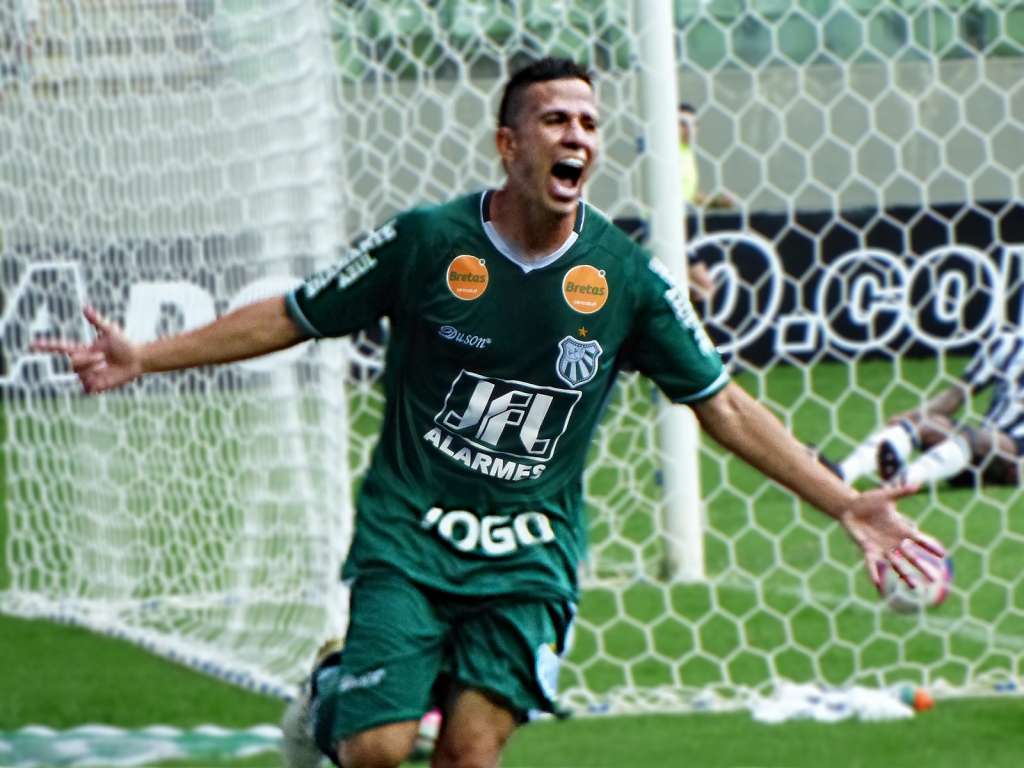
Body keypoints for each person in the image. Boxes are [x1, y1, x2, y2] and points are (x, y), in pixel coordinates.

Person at [36, 57, 944, 768]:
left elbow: (725, 406)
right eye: (555, 119)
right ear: (509, 146)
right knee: (375, 748)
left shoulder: (627, 279)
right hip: (411, 538)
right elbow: (295, 311)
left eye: (589, 122)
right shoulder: (428, 241)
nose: (577, 135)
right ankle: (329, 691)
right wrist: (146, 354)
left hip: (531, 555)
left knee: (471, 753)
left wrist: (844, 503)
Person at [819, 327, 1024, 490]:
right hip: (977, 451)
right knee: (925, 423)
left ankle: (900, 482)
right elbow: (956, 395)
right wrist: (913, 417)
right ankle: (842, 474)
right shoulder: (1008, 344)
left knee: (975, 439)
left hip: (1015, 458)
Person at [678, 101, 733, 303]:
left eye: (693, 124)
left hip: (684, 224)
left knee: (693, 286)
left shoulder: (686, 152)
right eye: (682, 123)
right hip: (669, 227)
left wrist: (714, 202)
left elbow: (688, 194)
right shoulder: (669, 153)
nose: (688, 129)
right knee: (704, 285)